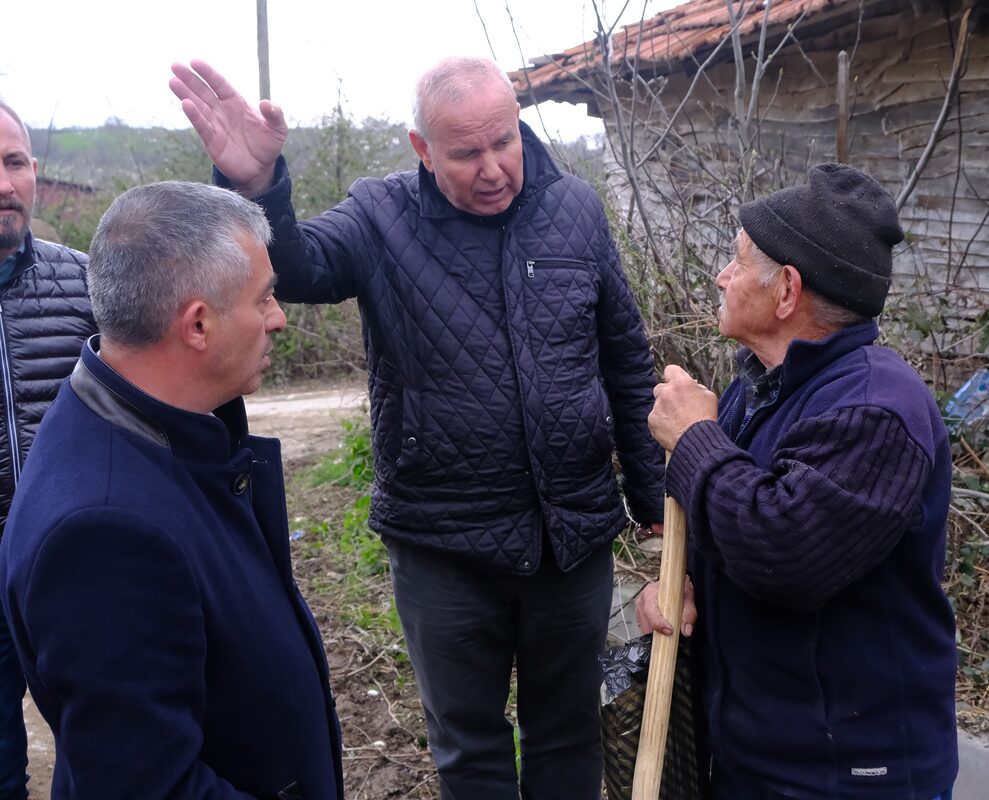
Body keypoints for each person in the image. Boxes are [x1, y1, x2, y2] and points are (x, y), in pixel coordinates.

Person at [169, 56, 664, 798]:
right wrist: (255, 186)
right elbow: (298, 269)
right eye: (467, 152)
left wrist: (655, 509)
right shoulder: (379, 215)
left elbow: (625, 360)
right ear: (421, 148)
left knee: (570, 735)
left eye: (505, 141)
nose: (494, 167)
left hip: (572, 538)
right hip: (444, 546)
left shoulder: (577, 211)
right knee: (469, 748)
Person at [0, 181, 343, 799]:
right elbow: (149, 786)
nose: (279, 318)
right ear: (198, 324)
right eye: (264, 298)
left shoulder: (136, 419)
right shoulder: (103, 533)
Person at [636, 164, 958, 800]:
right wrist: (682, 587)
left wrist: (695, 440)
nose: (721, 277)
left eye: (737, 261)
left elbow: (783, 553)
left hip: (849, 776)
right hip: (758, 758)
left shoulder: (876, 411)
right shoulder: (758, 389)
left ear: (786, 289)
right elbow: (731, 528)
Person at [0, 101, 95, 800]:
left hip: (75, 564)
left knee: (108, 751)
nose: (3, 185)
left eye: (11, 163)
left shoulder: (91, 283)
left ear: (34, 171)